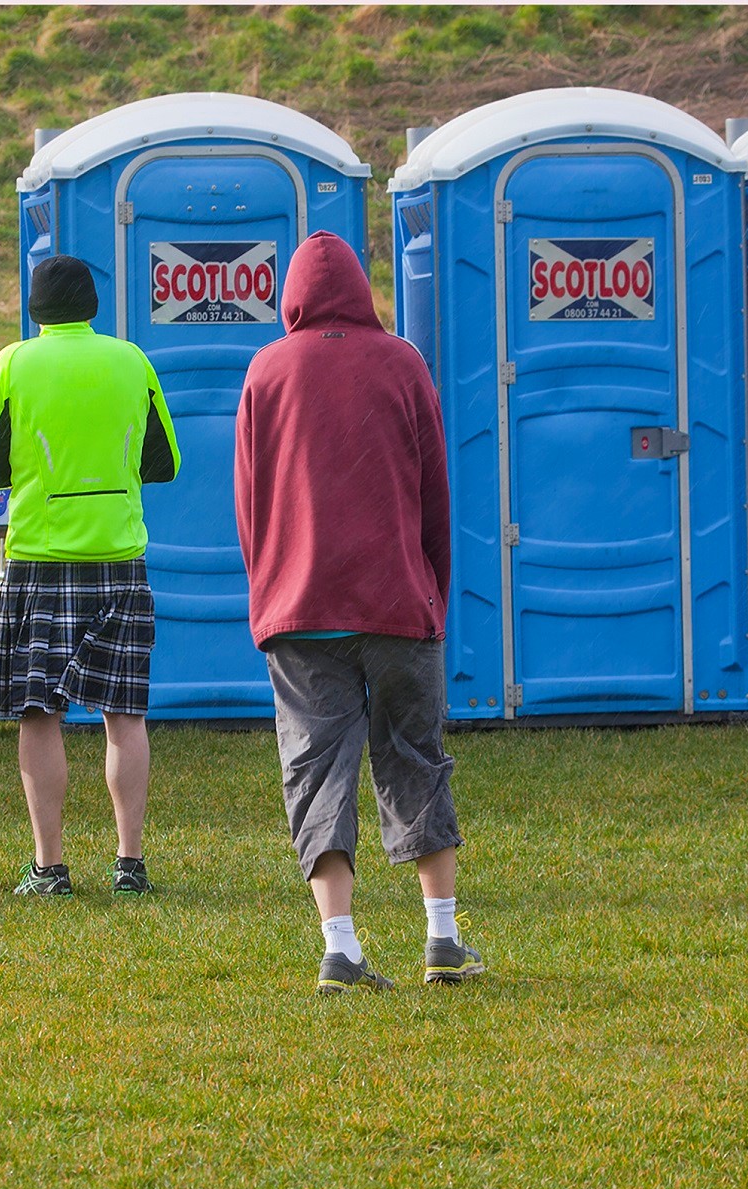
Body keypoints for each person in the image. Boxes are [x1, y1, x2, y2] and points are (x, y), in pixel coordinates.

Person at [233, 230, 485, 994]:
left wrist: (269, 589)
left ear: (292, 298)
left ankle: (339, 948)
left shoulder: (266, 370)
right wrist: (432, 592)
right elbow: (434, 493)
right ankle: (443, 937)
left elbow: (250, 502)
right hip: (397, 600)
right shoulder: (402, 362)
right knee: (416, 759)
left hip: (299, 607)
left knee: (316, 772)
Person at [0, 254, 181, 897]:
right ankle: (130, 864)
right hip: (119, 556)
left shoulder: (13, 364)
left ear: (36, 308)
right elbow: (164, 461)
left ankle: (50, 868)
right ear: (91, 304)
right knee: (125, 713)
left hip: (42, 556)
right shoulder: (132, 361)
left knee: (39, 713)